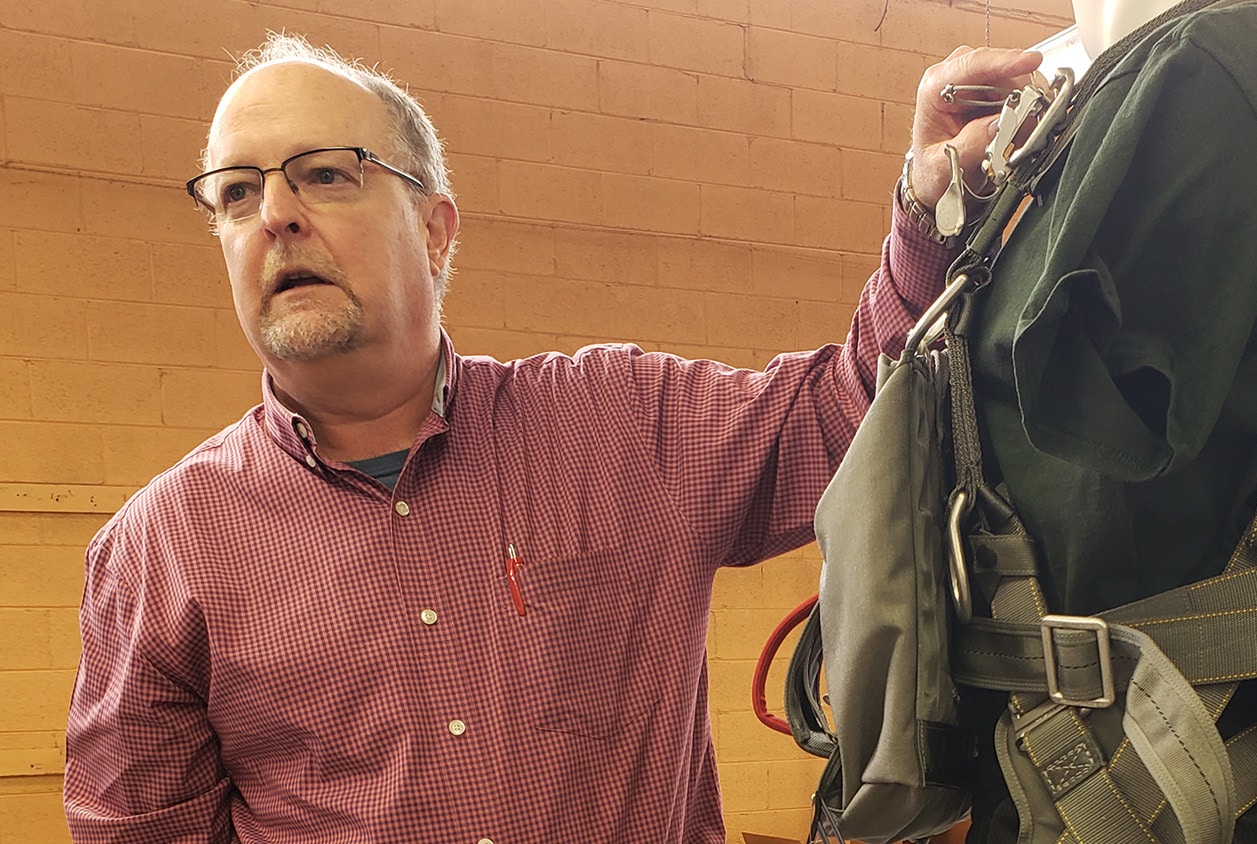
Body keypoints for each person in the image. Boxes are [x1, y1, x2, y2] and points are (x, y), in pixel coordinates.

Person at [61, 32, 1042, 844]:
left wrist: (930, 210)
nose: (273, 214)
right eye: (234, 193)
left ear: (436, 230)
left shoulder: (619, 426)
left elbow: (846, 416)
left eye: (326, 174)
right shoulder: (161, 551)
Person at [958, 0, 1257, 841]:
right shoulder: (1200, 77)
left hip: (1135, 785)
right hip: (1113, 772)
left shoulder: (1206, 78)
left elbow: (1083, 482)